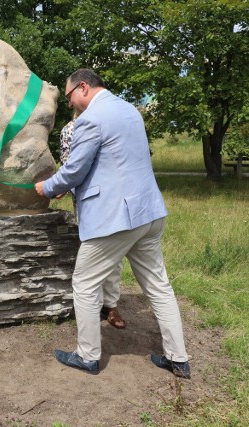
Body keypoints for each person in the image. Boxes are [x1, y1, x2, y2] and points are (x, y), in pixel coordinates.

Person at [35, 69, 190, 378]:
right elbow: (113, 163)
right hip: (149, 212)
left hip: (116, 218)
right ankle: (178, 358)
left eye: (69, 98)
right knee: (159, 286)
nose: (70, 105)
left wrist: (47, 187)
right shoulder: (130, 110)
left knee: (84, 283)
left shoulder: (91, 118)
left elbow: (75, 169)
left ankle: (88, 356)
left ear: (82, 87)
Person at [60, 114, 125, 329]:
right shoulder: (69, 130)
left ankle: (111, 304)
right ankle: (92, 305)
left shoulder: (111, 123)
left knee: (115, 255)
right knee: (91, 253)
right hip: (88, 203)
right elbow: (69, 166)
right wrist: (60, 186)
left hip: (116, 199)